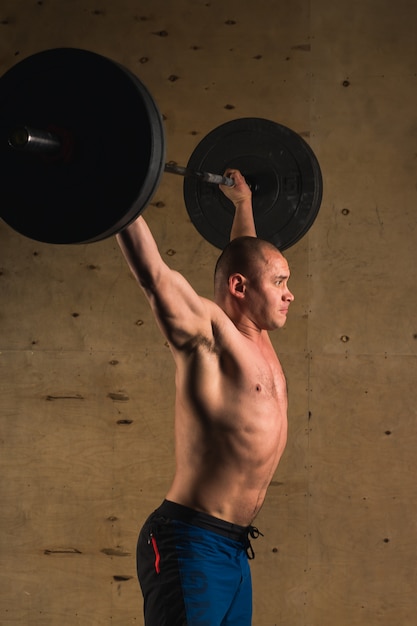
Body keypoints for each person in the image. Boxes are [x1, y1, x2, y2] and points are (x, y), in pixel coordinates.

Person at [116, 169, 294, 626]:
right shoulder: (210, 338)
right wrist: (115, 189)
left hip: (232, 550)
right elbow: (155, 278)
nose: (289, 294)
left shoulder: (257, 336)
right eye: (280, 283)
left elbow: (244, 260)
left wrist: (242, 205)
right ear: (241, 289)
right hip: (189, 542)